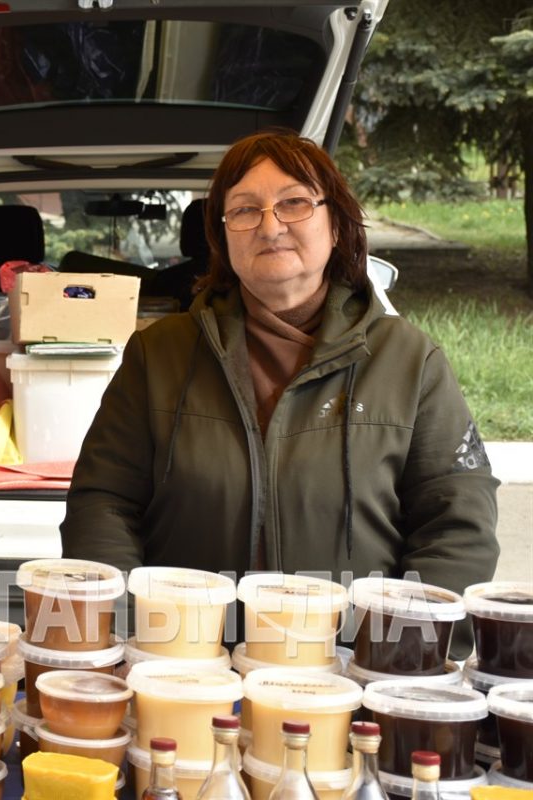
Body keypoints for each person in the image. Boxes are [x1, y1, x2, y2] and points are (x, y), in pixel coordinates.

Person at [60, 129, 498, 658]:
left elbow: (456, 520)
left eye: (293, 203)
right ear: (223, 238)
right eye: (244, 210)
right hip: (184, 666)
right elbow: (103, 502)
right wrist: (130, 631)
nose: (270, 226)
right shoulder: (160, 354)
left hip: (352, 671)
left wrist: (399, 655)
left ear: (335, 223)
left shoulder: (409, 361)